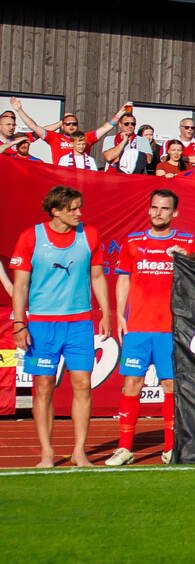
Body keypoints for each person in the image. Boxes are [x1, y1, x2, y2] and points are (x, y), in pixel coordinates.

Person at [7, 186, 110, 468]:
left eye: (80, 207)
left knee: (82, 386)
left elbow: (98, 275)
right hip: (42, 324)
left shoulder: (89, 235)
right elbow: (21, 285)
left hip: (79, 323)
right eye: (73, 208)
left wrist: (106, 312)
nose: (80, 213)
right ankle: (47, 454)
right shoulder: (31, 237)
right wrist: (19, 324)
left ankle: (79, 452)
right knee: (43, 388)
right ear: (55, 211)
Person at [102, 189, 195, 466]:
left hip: (170, 328)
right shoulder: (133, 242)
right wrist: (120, 314)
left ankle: (170, 448)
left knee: (170, 385)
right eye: (155, 207)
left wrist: (188, 258)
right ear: (149, 210)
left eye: (165, 208)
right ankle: (124, 448)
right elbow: (123, 278)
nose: (159, 213)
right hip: (138, 327)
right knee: (131, 384)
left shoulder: (186, 241)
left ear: (175, 213)